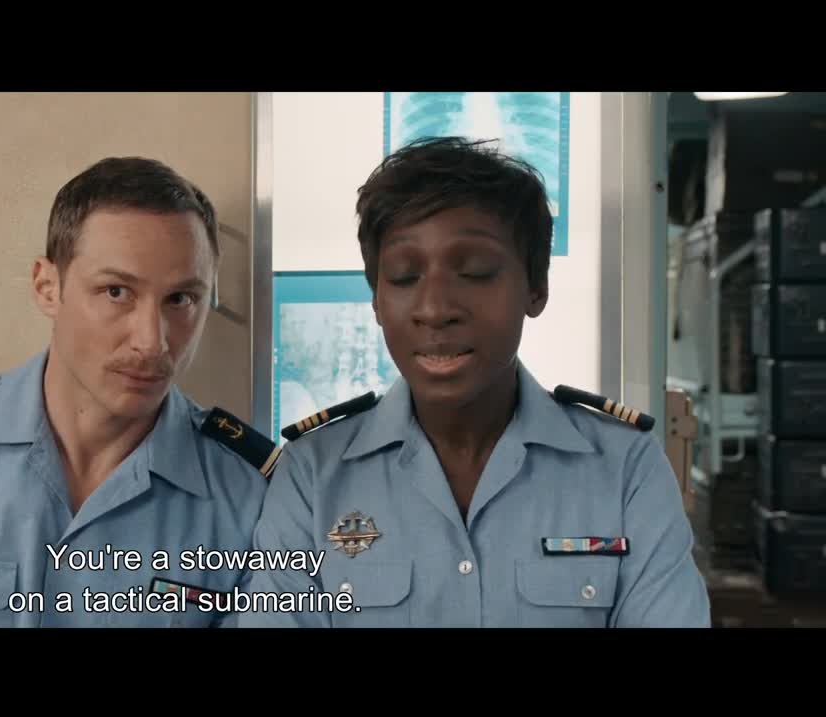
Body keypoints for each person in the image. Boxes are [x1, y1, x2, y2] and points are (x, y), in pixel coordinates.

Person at [239, 137, 711, 628]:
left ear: (536, 287)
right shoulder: (312, 477)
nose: (435, 309)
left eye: (476, 272)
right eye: (403, 276)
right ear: (376, 300)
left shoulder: (625, 469)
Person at [0, 157, 277, 628]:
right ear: (47, 287)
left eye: (181, 299)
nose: (151, 341)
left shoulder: (250, 496)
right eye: (116, 292)